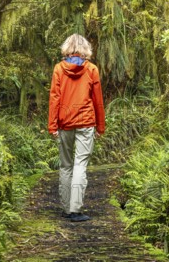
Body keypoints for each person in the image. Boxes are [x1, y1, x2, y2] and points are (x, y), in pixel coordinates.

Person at [48, 34, 106, 222]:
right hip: (86, 122)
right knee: (80, 164)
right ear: (86, 49)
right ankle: (75, 209)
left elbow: (54, 98)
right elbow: (98, 100)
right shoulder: (91, 69)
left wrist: (52, 124)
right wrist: (100, 125)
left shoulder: (59, 69)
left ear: (67, 48)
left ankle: (66, 208)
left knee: (66, 165)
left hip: (64, 121)